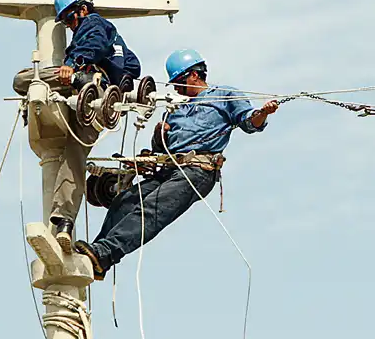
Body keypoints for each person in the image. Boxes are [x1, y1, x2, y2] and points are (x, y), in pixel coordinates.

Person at [73, 48, 279, 280]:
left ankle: (104, 253)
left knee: (152, 208)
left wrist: (263, 112)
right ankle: (98, 257)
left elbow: (250, 122)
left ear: (194, 75)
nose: (177, 89)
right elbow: (161, 147)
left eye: (180, 83)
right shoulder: (176, 108)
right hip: (169, 169)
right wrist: (158, 136)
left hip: (197, 170)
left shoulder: (223, 95)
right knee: (125, 201)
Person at [11, 0, 142, 252]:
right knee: (74, 156)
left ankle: (75, 80)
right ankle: (64, 225)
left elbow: (92, 42)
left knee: (23, 80)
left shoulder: (94, 23)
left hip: (86, 88)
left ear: (82, 9)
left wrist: (75, 64)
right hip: (100, 103)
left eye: (70, 19)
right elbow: (133, 67)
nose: (70, 26)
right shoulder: (114, 36)